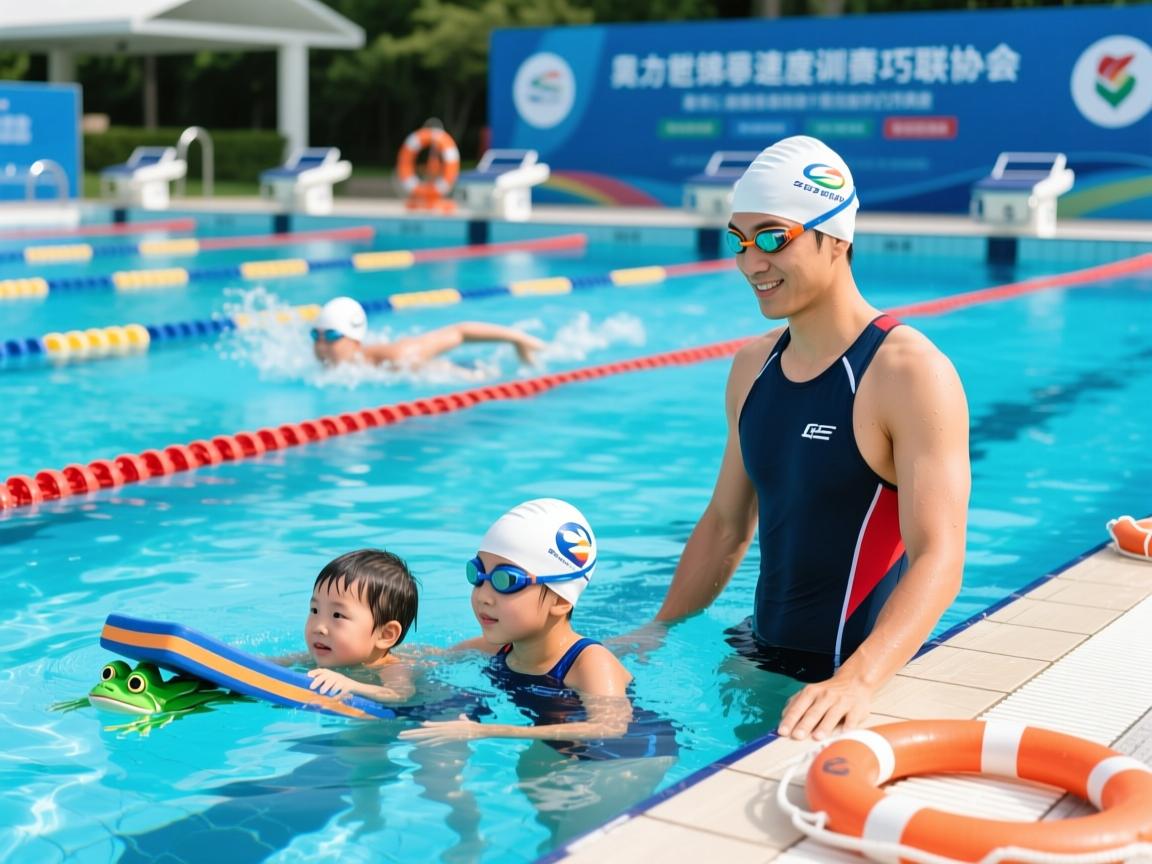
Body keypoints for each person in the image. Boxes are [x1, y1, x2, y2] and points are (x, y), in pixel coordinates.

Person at [653, 136, 971, 742]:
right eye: (739, 241)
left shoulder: (907, 372)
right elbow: (726, 522)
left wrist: (859, 680)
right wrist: (659, 630)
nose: (751, 263)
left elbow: (940, 554)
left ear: (837, 237)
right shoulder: (752, 366)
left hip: (848, 676)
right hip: (756, 656)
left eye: (773, 237)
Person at [400, 498, 675, 753]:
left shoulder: (589, 662)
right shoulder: (495, 648)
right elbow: (431, 658)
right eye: (478, 574)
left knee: (534, 770)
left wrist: (483, 730)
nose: (483, 595)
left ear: (560, 600)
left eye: (505, 581)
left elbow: (611, 726)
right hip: (560, 741)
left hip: (633, 751)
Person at [304, 548, 420, 703]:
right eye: (315, 610)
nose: (319, 627)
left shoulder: (393, 669)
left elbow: (399, 694)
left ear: (386, 635)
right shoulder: (317, 654)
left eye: (337, 615)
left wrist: (353, 686)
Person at [310, 296, 544, 368]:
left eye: (331, 337)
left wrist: (517, 339)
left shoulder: (397, 355)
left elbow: (460, 332)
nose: (321, 346)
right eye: (316, 337)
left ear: (354, 339)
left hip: (467, 369)